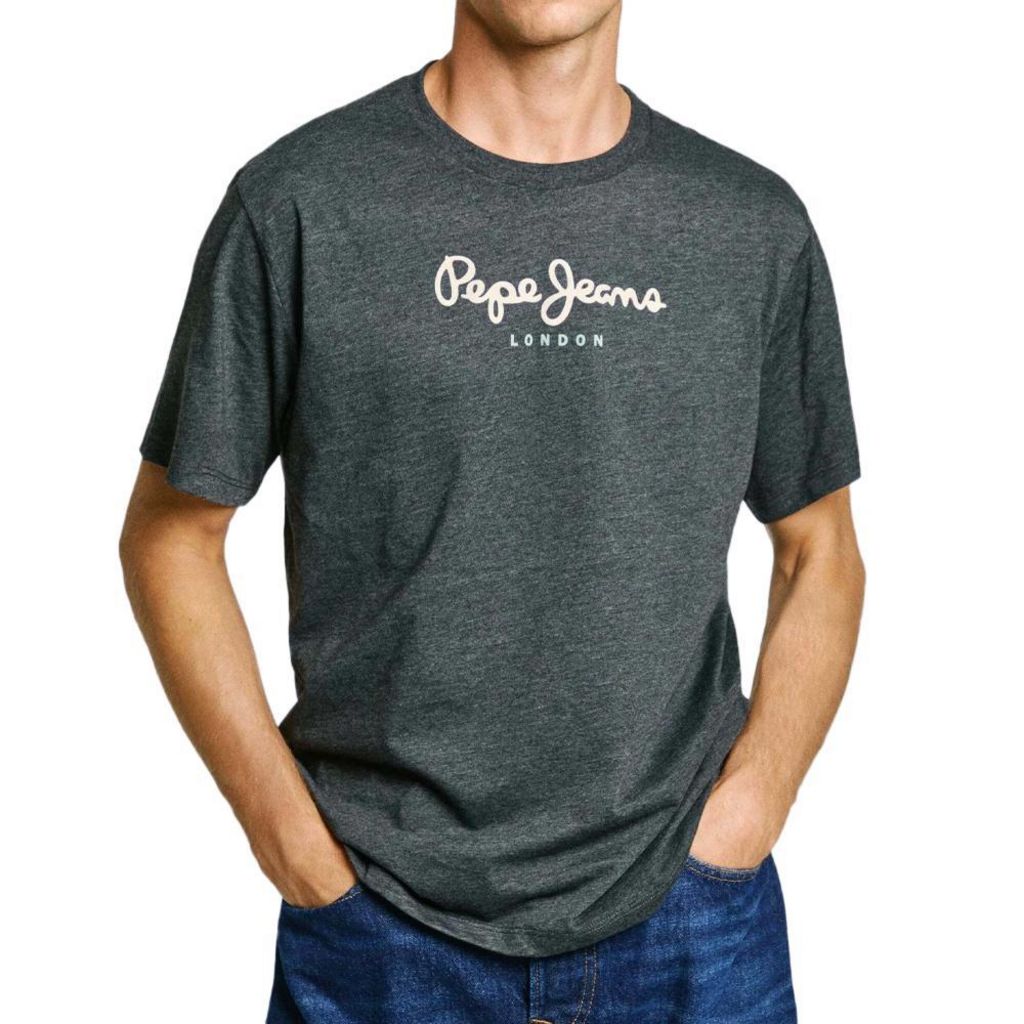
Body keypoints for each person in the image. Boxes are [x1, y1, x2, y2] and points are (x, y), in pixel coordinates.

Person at [119, 2, 865, 1020]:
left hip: (691, 923)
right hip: (379, 926)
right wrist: (290, 841)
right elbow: (172, 534)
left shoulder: (749, 226)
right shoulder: (298, 203)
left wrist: (752, 808)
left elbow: (819, 548)